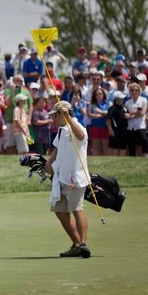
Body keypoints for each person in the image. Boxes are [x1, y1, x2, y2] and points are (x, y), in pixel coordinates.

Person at [45, 101, 91, 259]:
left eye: (55, 115)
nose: (54, 118)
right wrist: (49, 161)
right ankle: (77, 244)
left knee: (77, 210)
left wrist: (68, 117)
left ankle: (84, 244)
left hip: (75, 179)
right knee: (59, 211)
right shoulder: (61, 130)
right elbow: (58, 149)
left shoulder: (77, 127)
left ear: (63, 114)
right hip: (61, 178)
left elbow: (81, 136)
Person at [125, 83, 148, 157]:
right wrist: (136, 113)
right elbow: (126, 115)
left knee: (144, 141)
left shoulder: (143, 100)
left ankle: (145, 157)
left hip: (140, 125)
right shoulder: (127, 102)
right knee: (131, 144)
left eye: (136, 90)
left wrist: (131, 115)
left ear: (139, 91)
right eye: (132, 90)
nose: (134, 92)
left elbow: (142, 113)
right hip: (130, 127)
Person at [88, 88, 110, 156]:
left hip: (105, 127)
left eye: (100, 94)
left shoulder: (108, 103)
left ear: (103, 94)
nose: (98, 96)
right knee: (96, 148)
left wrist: (99, 112)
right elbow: (90, 115)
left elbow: (109, 113)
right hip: (95, 127)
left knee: (105, 147)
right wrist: (103, 115)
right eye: (96, 95)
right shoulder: (92, 104)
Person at [106, 91, 128, 156]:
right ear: (116, 99)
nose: (122, 99)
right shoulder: (112, 108)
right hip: (115, 130)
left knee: (122, 148)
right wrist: (110, 130)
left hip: (123, 130)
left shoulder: (124, 108)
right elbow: (108, 120)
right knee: (115, 148)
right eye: (120, 98)